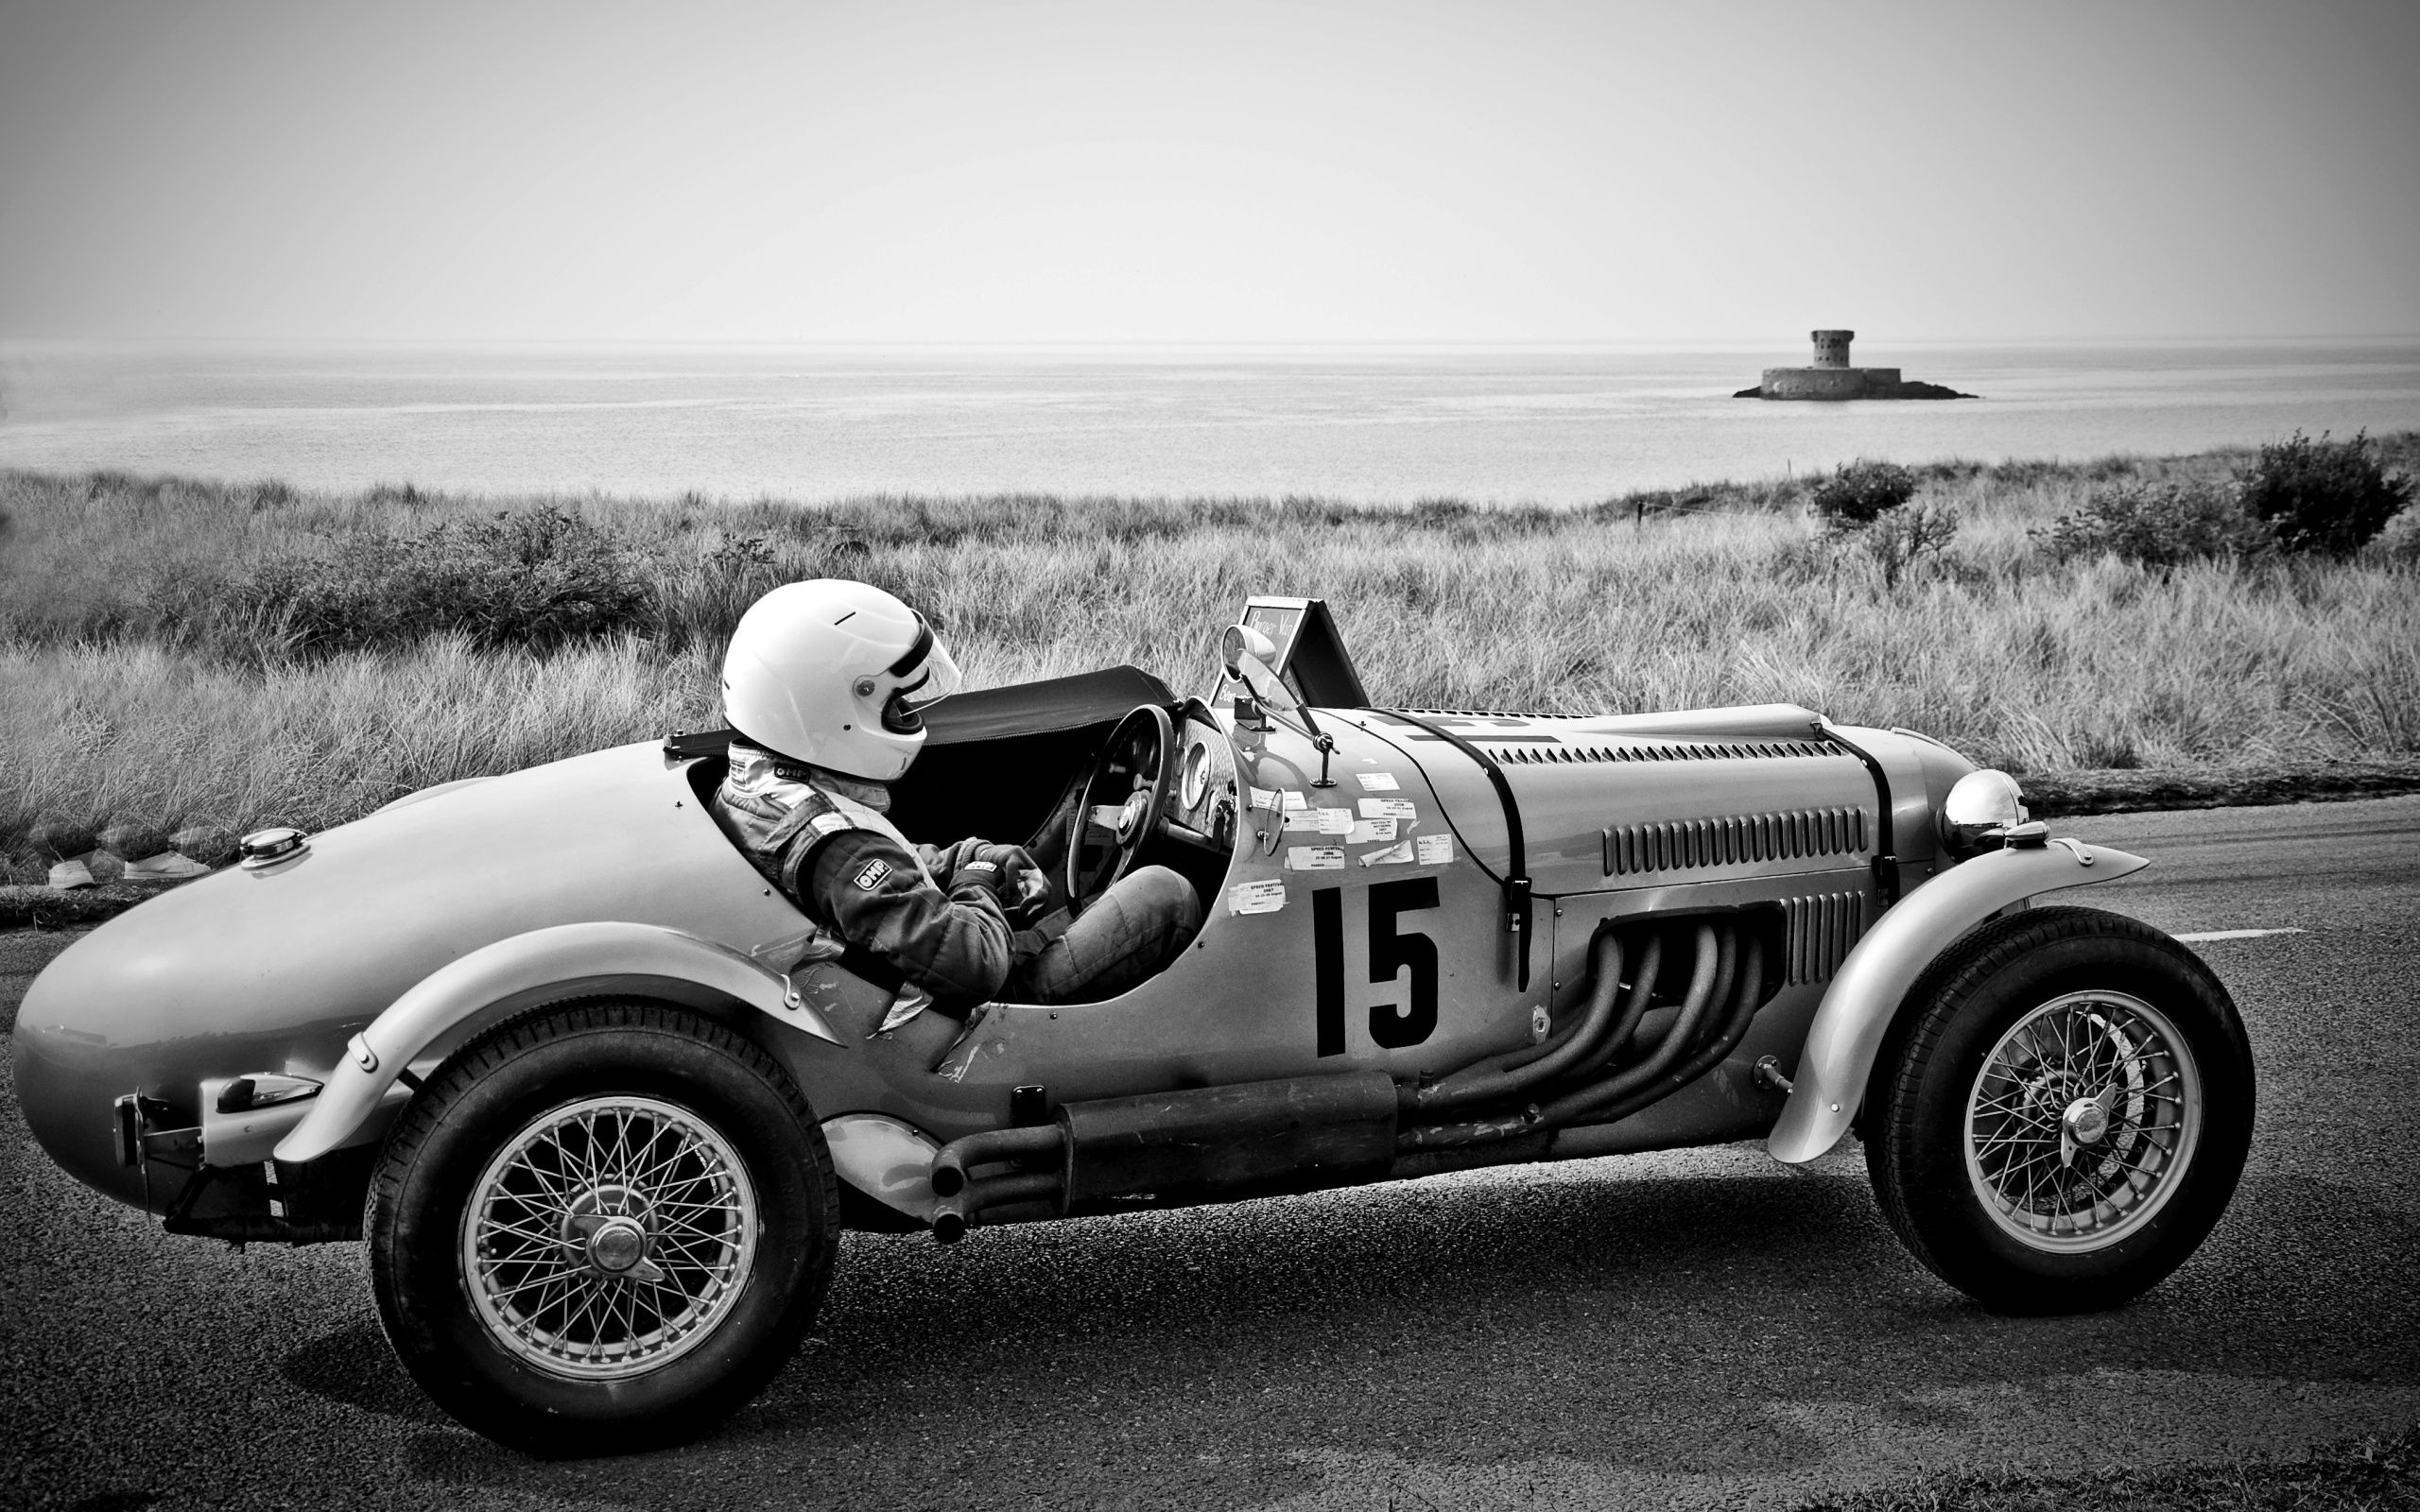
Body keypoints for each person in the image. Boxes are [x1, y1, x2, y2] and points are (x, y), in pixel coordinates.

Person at [709, 578, 1201, 1019]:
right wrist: (980, 881)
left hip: (931, 970)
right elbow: (976, 965)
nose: (905, 715)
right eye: (895, 703)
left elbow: (897, 877)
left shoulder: (764, 791)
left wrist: (976, 857)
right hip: (978, 1007)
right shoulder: (833, 850)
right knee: (1164, 894)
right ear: (830, 706)